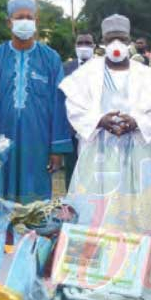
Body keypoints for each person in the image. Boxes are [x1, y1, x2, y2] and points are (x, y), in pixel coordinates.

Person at [59, 13, 151, 244]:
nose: (116, 44)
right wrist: (99, 120)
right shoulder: (87, 73)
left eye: (122, 39)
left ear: (129, 40)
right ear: (102, 40)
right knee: (96, 204)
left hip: (134, 152)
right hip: (98, 151)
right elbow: (74, 107)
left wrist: (137, 122)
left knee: (133, 204)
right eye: (111, 38)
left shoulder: (145, 74)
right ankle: (95, 253)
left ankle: (131, 257)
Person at [0, 0, 71, 203]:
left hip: (38, 140)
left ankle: (34, 235)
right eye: (19, 18)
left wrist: (57, 148)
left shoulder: (51, 58)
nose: (25, 22)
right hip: (0, 139)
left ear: (36, 21)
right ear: (9, 22)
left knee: (35, 201)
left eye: (29, 18)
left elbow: (59, 104)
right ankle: (3, 234)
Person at [62, 32, 96, 188]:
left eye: (88, 43)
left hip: (96, 128)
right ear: (75, 46)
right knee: (71, 168)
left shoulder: (103, 67)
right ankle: (70, 205)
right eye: (80, 43)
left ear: (94, 46)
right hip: (71, 127)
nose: (84, 46)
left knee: (93, 168)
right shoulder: (65, 68)